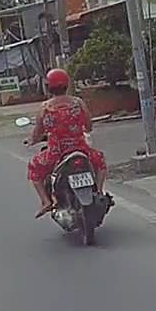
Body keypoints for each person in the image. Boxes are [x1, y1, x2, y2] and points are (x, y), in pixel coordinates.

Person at [25, 68, 107, 218]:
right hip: (80, 148)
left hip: (56, 153)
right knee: (100, 162)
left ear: (49, 87)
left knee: (34, 167)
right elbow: (89, 126)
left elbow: (37, 133)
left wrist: (32, 141)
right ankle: (99, 191)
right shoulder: (78, 103)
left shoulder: (45, 108)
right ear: (67, 85)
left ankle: (46, 201)